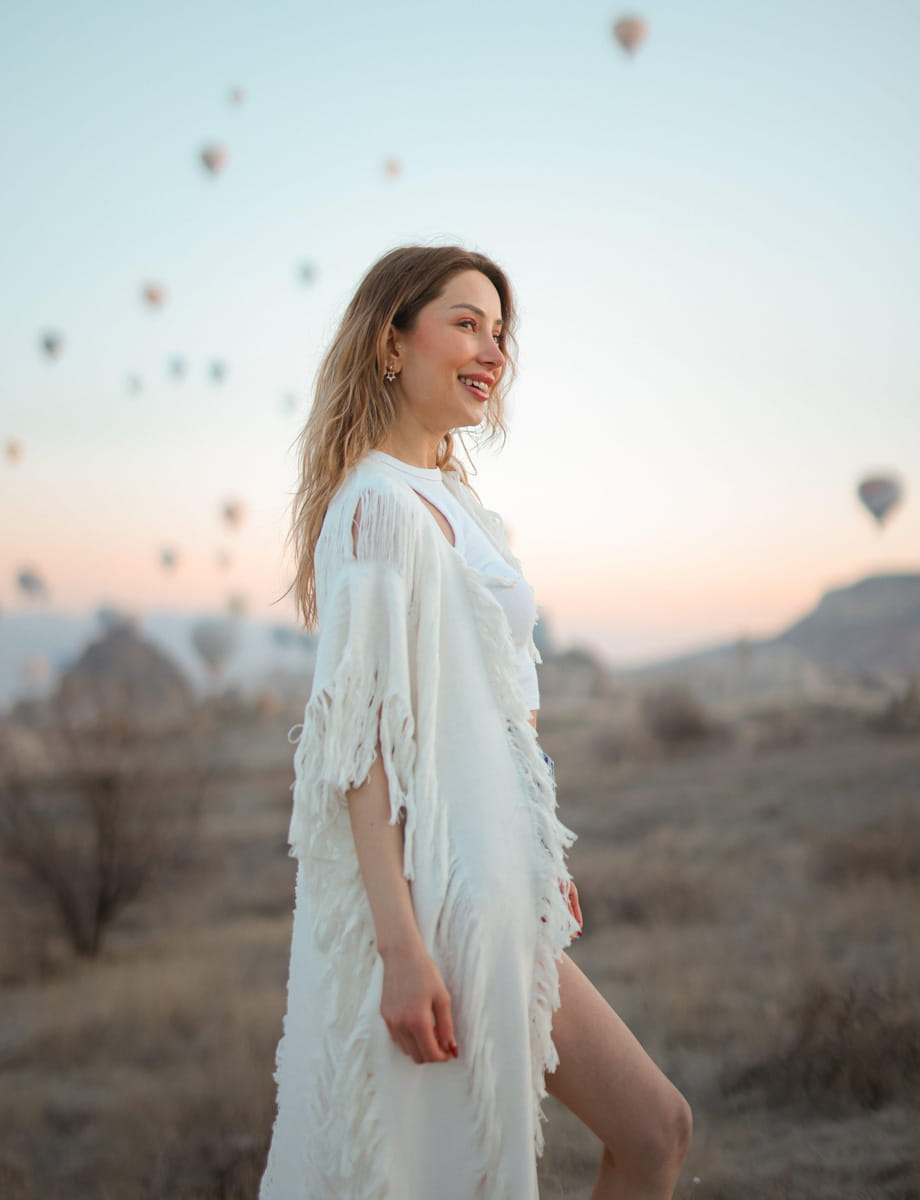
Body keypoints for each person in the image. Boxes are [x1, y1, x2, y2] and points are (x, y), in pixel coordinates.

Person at [259, 246, 692, 1200]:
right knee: (448, 1171)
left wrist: (545, 862)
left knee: (655, 1128)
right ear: (389, 342)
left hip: (503, 888)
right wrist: (402, 951)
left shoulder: (458, 507)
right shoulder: (374, 507)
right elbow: (359, 746)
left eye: (499, 331)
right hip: (434, 901)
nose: (492, 348)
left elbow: (501, 713)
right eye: (464, 322)